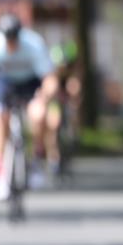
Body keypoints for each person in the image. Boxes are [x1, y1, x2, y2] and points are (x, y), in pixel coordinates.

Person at [0, 14, 57, 201]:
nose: (11, 44)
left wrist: (44, 98)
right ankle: (0, 175)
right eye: (8, 40)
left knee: (39, 115)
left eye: (14, 39)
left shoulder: (34, 44)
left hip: (30, 82)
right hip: (4, 82)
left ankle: (36, 163)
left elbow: (50, 79)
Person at [45, 40, 82, 176]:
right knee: (54, 124)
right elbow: (49, 90)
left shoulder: (73, 71)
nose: (63, 68)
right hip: (55, 97)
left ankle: (73, 131)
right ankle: (53, 157)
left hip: (67, 94)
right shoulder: (51, 73)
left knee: (74, 95)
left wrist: (74, 100)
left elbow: (75, 88)